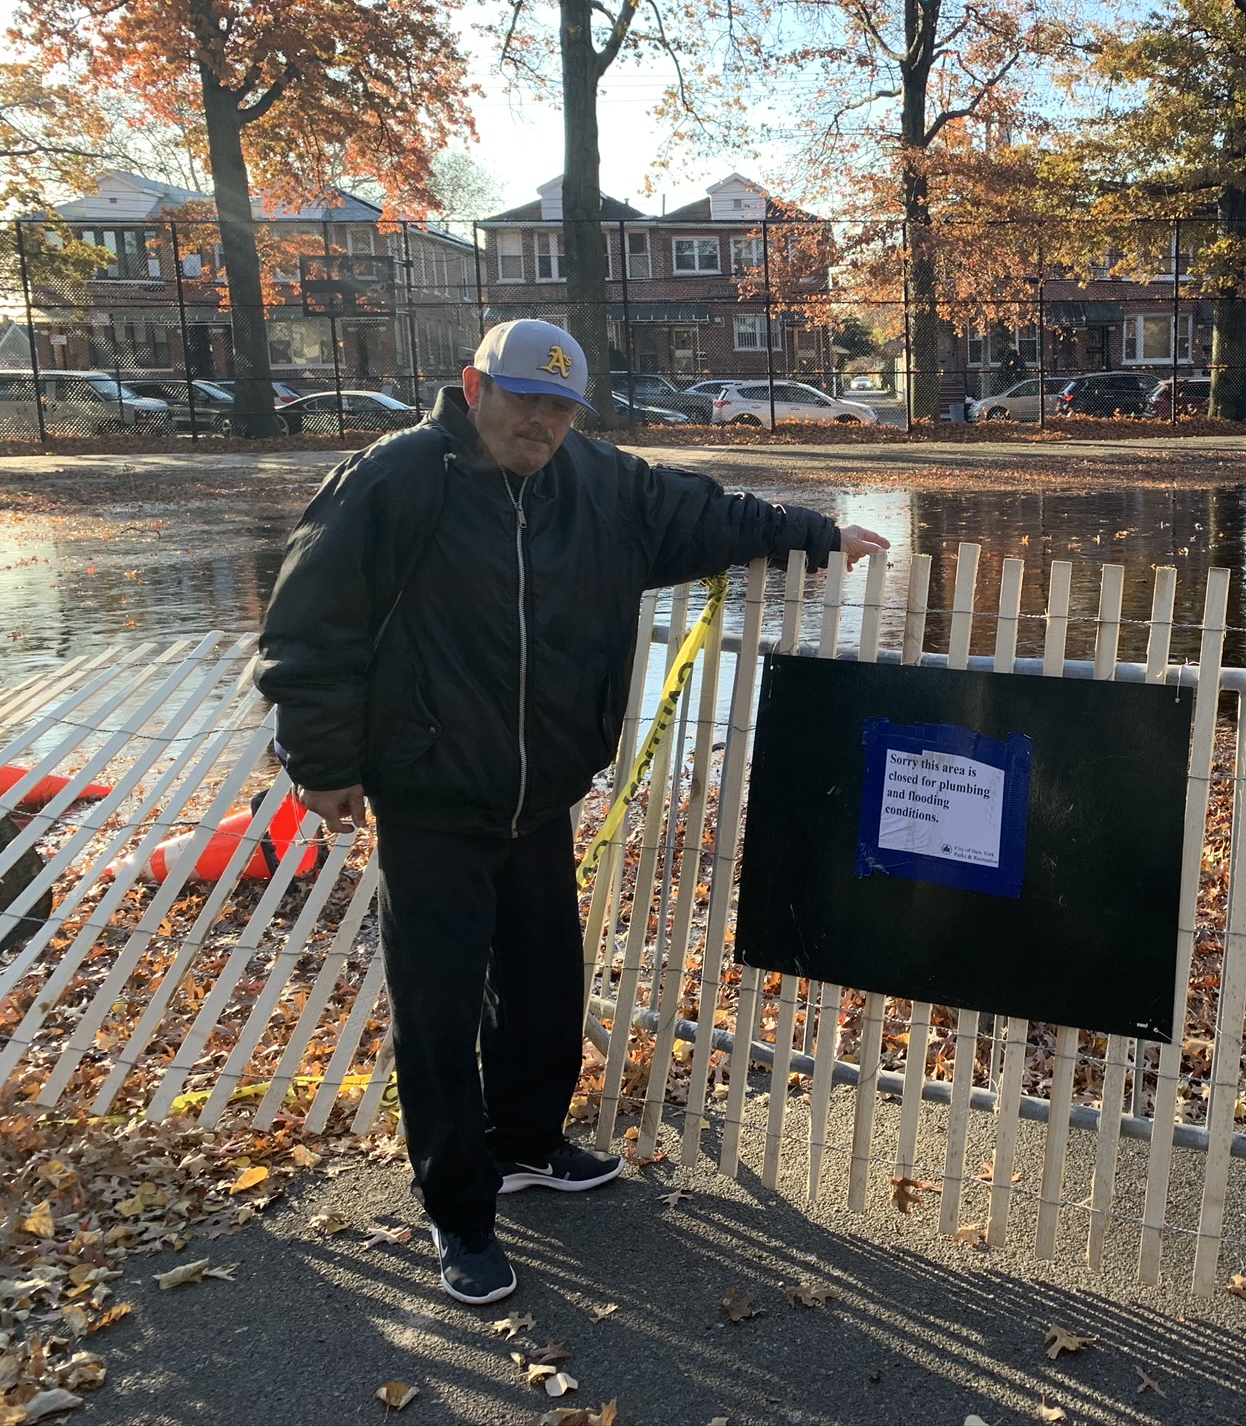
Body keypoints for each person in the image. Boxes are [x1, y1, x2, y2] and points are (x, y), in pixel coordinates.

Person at [256, 320, 887, 1305]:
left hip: (542, 791)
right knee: (438, 1010)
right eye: (525, 399)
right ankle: (459, 1212)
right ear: (475, 388)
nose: (542, 423)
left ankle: (524, 1145)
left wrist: (813, 534)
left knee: (544, 983)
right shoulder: (396, 479)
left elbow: (702, 514)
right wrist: (321, 758)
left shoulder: (598, 484)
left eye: (560, 407)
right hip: (429, 791)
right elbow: (309, 619)